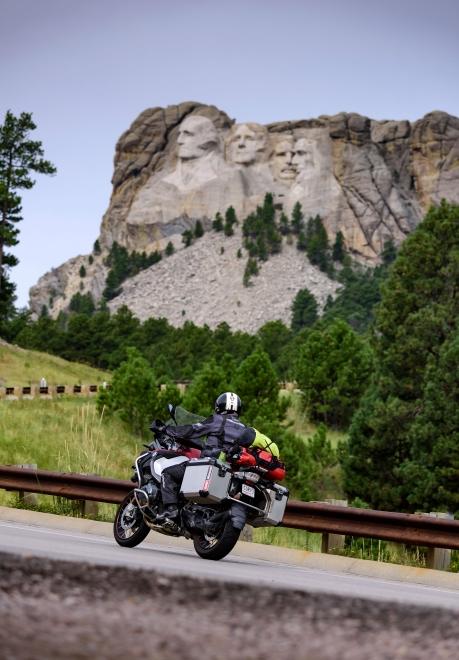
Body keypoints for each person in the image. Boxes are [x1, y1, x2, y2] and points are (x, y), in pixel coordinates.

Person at [156, 392, 256, 525]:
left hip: (208, 467)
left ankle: (171, 509)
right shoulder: (245, 429)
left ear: (218, 406)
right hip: (230, 473)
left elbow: (193, 430)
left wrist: (167, 429)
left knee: (168, 473)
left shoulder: (217, 419)